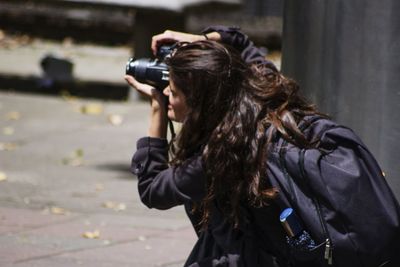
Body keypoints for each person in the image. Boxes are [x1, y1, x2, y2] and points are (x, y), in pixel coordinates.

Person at [125, 26, 400, 267]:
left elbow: (153, 190)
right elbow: (241, 42)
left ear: (199, 102)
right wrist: (199, 42)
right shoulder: (267, 89)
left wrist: (156, 112)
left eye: (173, 92)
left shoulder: (221, 154)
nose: (167, 95)